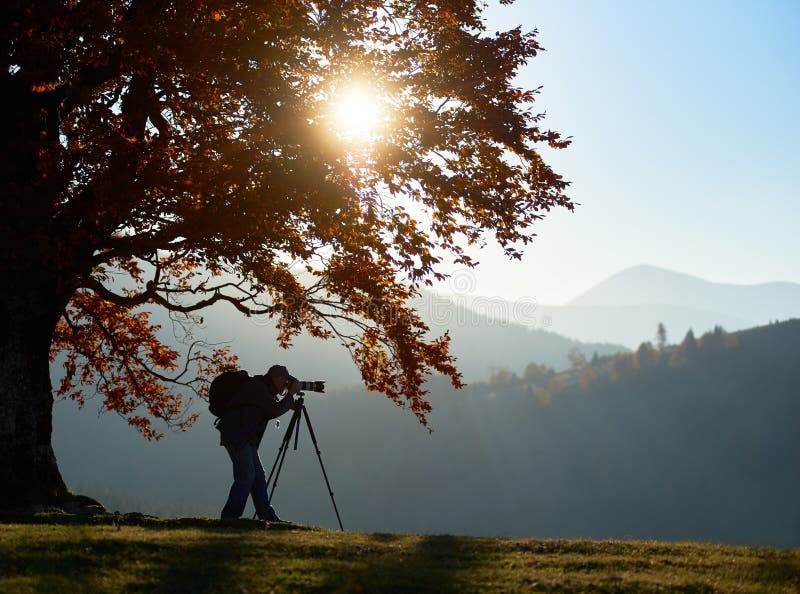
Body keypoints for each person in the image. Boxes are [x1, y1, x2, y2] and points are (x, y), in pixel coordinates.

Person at [217, 364, 303, 521]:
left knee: (257, 476)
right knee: (247, 475)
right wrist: (290, 394)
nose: (286, 385)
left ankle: (268, 517)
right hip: (237, 433)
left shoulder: (263, 388)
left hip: (242, 434)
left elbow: (271, 407)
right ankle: (229, 518)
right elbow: (274, 410)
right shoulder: (257, 386)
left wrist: (289, 401)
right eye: (285, 381)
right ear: (276, 378)